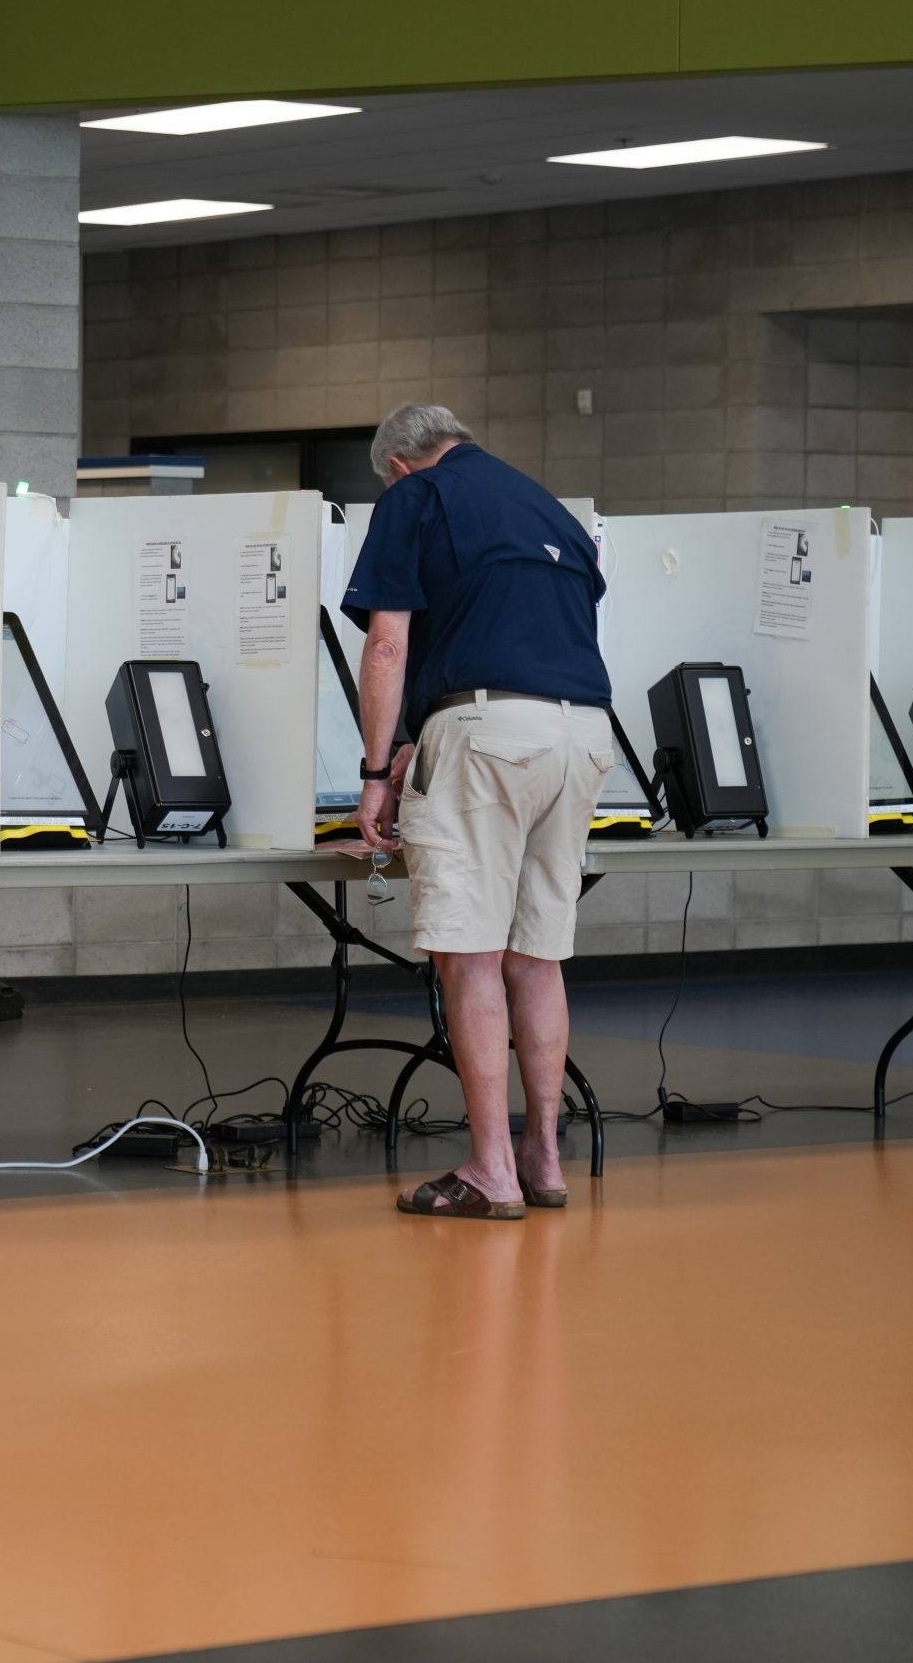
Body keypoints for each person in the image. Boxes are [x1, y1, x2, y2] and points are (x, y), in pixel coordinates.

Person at [344, 404, 614, 1220]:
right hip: (585, 734)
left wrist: (372, 771)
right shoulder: (548, 508)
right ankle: (545, 1156)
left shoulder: (415, 498)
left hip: (488, 732)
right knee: (537, 955)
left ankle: (493, 1168)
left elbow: (387, 645)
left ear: (399, 465)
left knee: (469, 954)